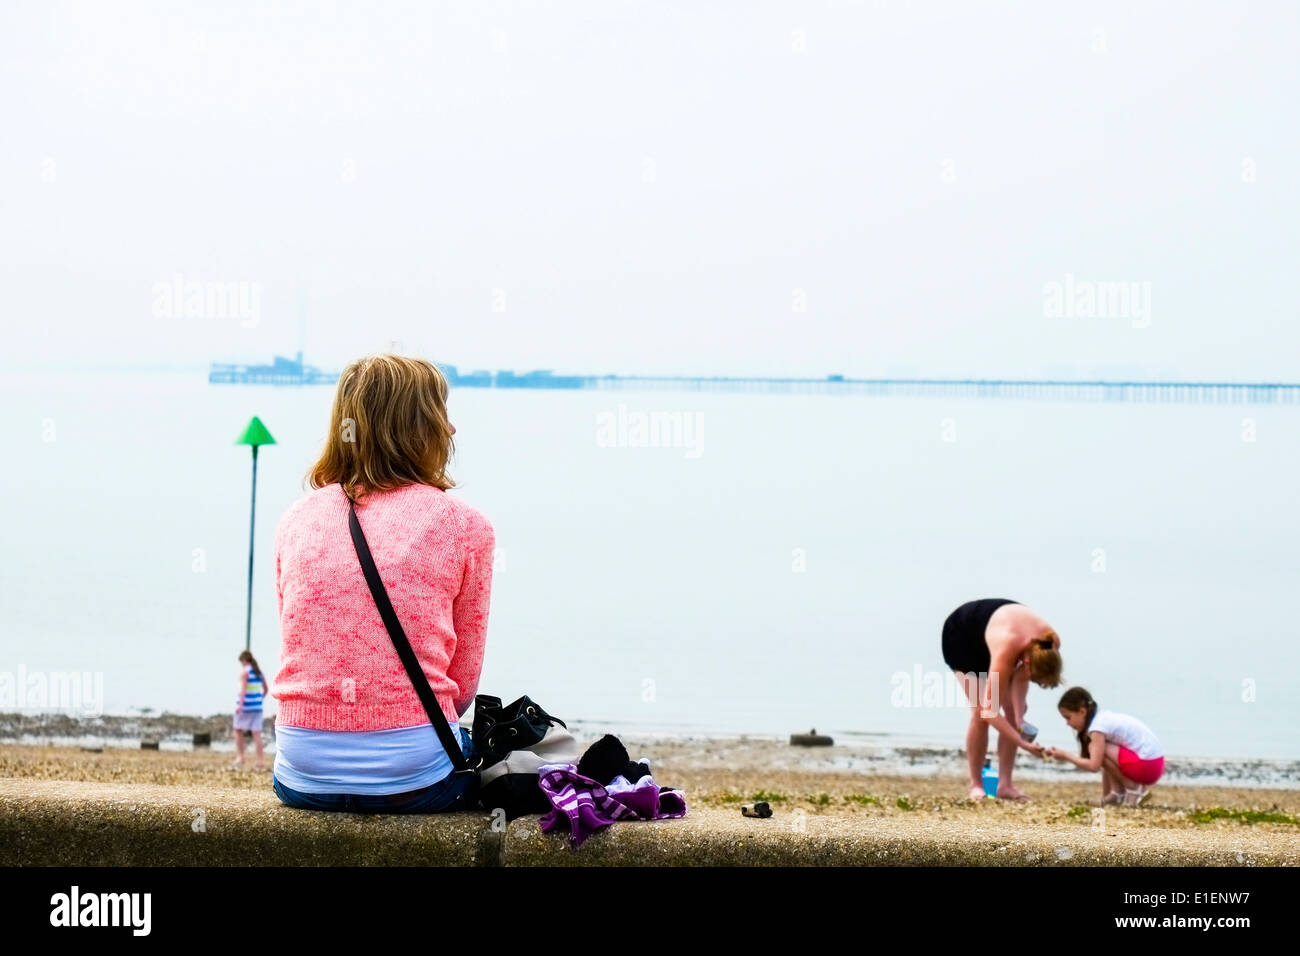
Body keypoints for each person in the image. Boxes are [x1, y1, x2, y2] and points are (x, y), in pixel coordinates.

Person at [269, 354, 494, 814]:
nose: (451, 430)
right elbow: (462, 687)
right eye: (441, 415)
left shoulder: (294, 522)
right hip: (417, 776)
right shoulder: (465, 527)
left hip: (301, 771)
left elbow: (301, 647)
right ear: (418, 428)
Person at [941, 598, 1063, 802]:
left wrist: (1019, 719)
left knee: (1015, 717)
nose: (1032, 681)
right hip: (963, 637)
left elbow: (1022, 675)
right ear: (1026, 661)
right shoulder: (1008, 647)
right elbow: (989, 711)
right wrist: (1022, 744)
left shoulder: (1050, 644)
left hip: (996, 633)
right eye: (1035, 679)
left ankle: (1004, 785)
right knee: (980, 713)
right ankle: (976, 785)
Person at [1045, 686, 1164, 806]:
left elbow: (1094, 766)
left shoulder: (1097, 728)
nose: (1067, 724)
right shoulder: (1101, 718)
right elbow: (1105, 765)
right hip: (1156, 763)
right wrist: (1105, 795)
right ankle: (1117, 793)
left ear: (1082, 711)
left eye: (1068, 718)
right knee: (1099, 750)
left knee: (1097, 750)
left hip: (1148, 765)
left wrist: (1065, 755)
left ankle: (1133, 789)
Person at [232, 650, 269, 770]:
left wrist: (240, 706)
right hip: (257, 707)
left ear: (244, 661)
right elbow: (266, 689)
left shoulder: (245, 672)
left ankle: (241, 757)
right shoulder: (259, 672)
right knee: (256, 734)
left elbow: (243, 691)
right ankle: (260, 761)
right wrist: (259, 699)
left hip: (245, 706)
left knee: (237, 730)